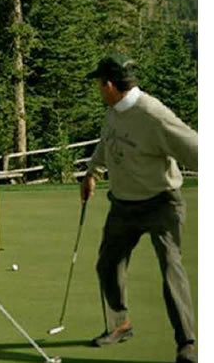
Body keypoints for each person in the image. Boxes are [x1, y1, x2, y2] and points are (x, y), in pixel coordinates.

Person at [81, 53, 198, 363]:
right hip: (123, 206)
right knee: (108, 265)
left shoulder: (153, 114)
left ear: (108, 85)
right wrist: (92, 173)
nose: (97, 88)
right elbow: (108, 144)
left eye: (98, 83)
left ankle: (186, 344)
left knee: (171, 270)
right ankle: (121, 325)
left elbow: (195, 147)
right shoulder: (114, 111)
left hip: (161, 203)